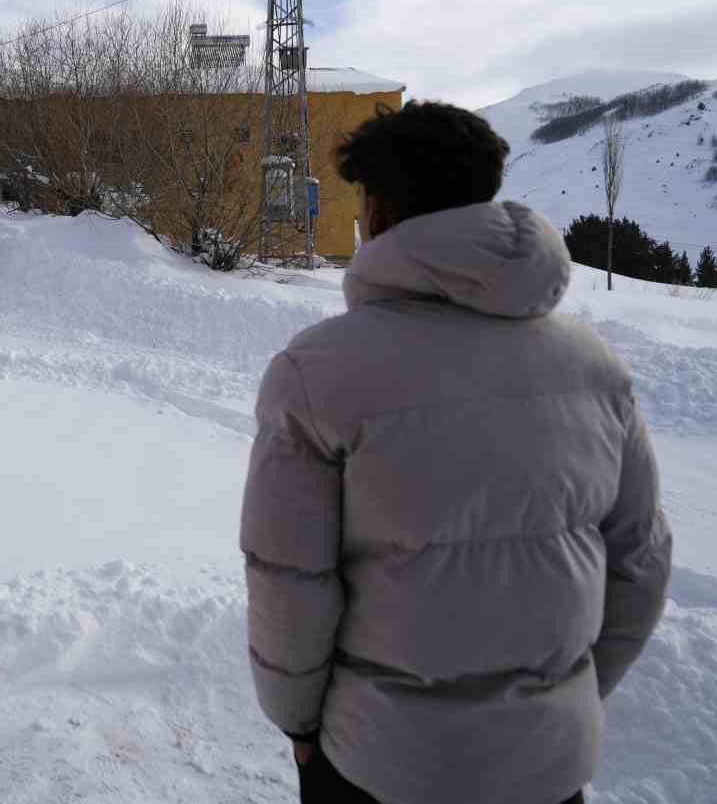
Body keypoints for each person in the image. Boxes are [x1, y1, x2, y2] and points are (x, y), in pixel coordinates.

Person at [240, 102, 671, 804]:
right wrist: (566, 699)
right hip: (550, 766)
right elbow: (641, 563)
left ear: (376, 209)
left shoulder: (316, 372)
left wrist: (298, 723)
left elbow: (290, 585)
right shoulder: (594, 364)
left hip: (381, 766)